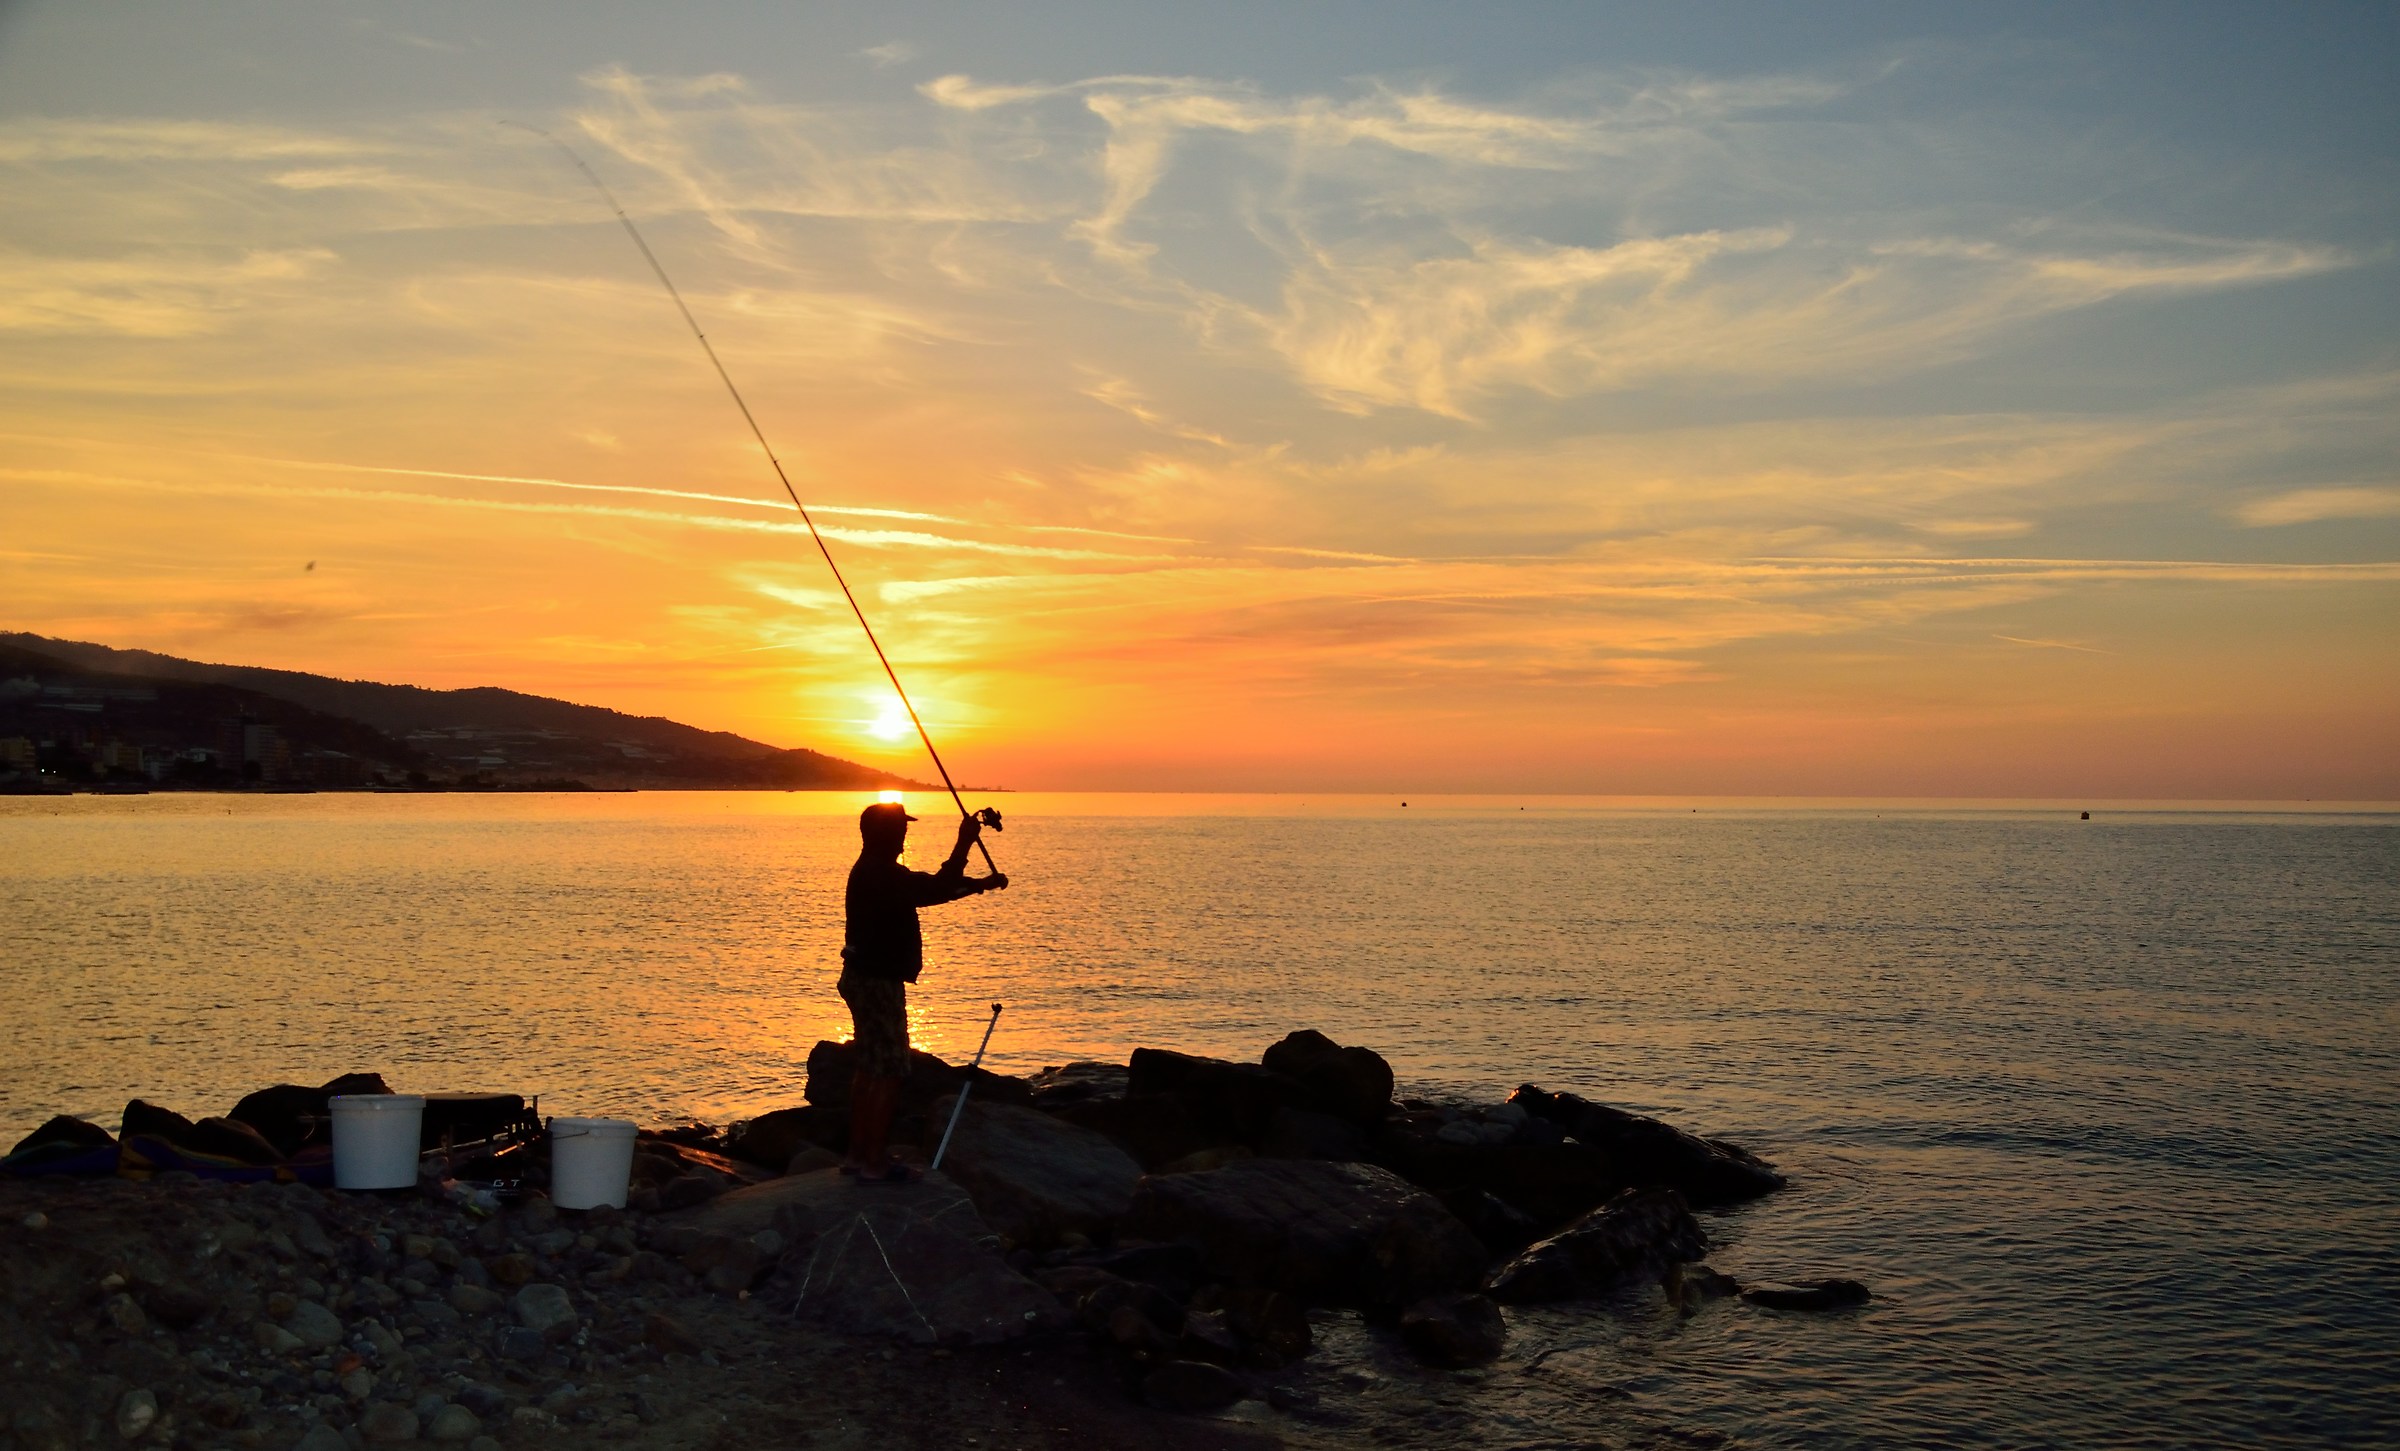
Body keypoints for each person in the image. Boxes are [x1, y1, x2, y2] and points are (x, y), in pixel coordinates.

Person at [838, 801, 1007, 1180]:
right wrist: (964, 843)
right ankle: (874, 1164)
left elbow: (932, 892)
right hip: (878, 983)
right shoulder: (882, 873)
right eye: (902, 829)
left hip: (861, 977)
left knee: (868, 1067)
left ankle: (856, 1156)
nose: (905, 835)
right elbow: (934, 888)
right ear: (891, 834)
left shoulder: (870, 871)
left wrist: (979, 885)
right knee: (890, 1069)